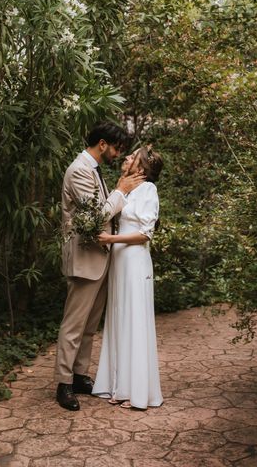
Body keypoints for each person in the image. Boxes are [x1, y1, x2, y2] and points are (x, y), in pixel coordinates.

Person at [55, 121, 145, 411]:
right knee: (74, 325)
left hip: (100, 257)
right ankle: (63, 384)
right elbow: (95, 217)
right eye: (118, 148)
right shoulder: (79, 170)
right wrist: (120, 190)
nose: (119, 154)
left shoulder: (94, 170)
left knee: (89, 326)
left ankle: (80, 375)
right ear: (103, 144)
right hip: (84, 258)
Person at [92, 144, 164, 410]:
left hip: (134, 260)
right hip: (119, 261)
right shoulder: (125, 187)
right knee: (119, 317)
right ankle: (117, 384)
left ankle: (136, 391)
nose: (127, 157)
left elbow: (146, 234)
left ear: (142, 167)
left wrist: (111, 239)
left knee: (134, 318)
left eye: (133, 156)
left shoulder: (149, 190)